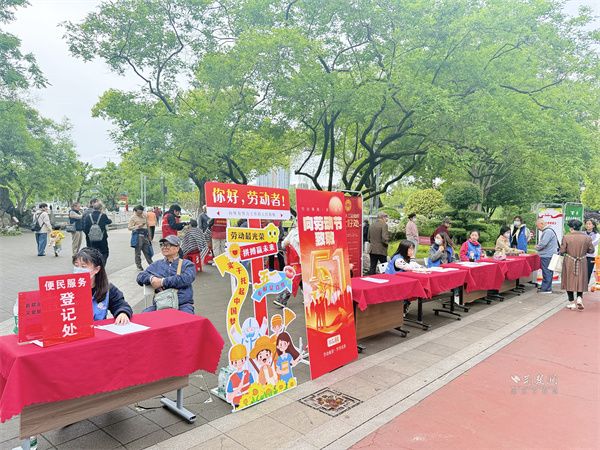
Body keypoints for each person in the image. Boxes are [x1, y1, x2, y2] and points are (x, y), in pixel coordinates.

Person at [137, 235, 197, 314]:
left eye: (168, 245)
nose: (164, 247)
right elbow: (140, 277)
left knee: (187, 319)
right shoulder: (156, 264)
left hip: (182, 304)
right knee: (144, 317)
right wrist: (151, 278)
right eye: (162, 245)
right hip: (160, 304)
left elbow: (186, 279)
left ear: (177, 248)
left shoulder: (187, 264)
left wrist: (162, 282)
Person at [73, 247, 132, 324]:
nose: (79, 269)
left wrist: (122, 313)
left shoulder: (107, 288)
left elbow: (120, 304)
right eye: (76, 265)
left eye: (83, 266)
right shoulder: (66, 288)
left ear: (96, 269)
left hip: (98, 328)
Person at [561, 219, 594, 310]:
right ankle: (579, 298)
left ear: (571, 227)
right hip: (582, 260)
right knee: (581, 279)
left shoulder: (566, 237)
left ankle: (572, 302)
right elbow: (591, 250)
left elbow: (562, 250)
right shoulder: (587, 238)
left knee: (568, 280)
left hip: (569, 260)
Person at [274, 219, 302, 308]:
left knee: (295, 278)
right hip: (294, 261)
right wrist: (285, 243)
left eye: (297, 220)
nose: (296, 222)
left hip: (302, 260)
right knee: (296, 278)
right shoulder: (293, 231)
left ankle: (282, 299)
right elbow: (283, 243)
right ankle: (282, 299)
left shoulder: (304, 231)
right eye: (296, 220)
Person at [534, 218, 559, 294]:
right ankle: (546, 287)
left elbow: (543, 243)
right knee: (548, 272)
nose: (537, 228)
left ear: (541, 224)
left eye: (537, 226)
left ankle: (546, 289)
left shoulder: (547, 231)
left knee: (546, 272)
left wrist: (537, 247)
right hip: (550, 254)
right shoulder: (549, 230)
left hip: (547, 255)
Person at [128, 205, 153, 271]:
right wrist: (137, 226)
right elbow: (129, 227)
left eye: (141, 212)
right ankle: (139, 266)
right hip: (138, 236)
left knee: (147, 251)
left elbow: (148, 226)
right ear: (135, 211)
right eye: (138, 213)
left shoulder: (144, 216)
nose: (140, 214)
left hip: (145, 235)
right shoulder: (133, 218)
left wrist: (150, 235)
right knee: (138, 252)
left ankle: (151, 264)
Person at [584, 219, 599, 286]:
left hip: (591, 256)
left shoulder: (597, 235)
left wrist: (585, 244)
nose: (588, 225)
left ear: (593, 225)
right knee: (581, 271)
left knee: (588, 271)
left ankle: (585, 285)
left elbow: (593, 244)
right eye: (587, 224)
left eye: (589, 224)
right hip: (582, 255)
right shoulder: (582, 233)